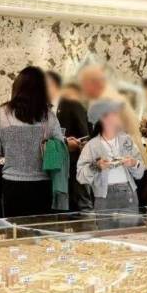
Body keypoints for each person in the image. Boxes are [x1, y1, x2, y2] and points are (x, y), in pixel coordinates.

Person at [0, 66, 63, 217]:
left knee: (15, 228)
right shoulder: (49, 116)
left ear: (17, 86)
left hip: (12, 185)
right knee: (39, 229)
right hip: (42, 185)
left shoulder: (1, 114)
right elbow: (60, 149)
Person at [78, 64, 147, 206]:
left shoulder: (108, 102)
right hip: (135, 164)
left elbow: (112, 130)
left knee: (140, 213)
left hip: (131, 168)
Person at [77, 100, 145, 212]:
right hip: (103, 198)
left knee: (131, 224)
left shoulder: (126, 140)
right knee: (106, 225)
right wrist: (96, 166)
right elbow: (81, 176)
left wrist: (134, 163)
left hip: (128, 195)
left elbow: (140, 173)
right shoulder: (91, 145)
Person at [46, 71, 91, 211]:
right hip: (55, 166)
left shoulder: (71, 102)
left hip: (74, 166)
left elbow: (85, 135)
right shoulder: (46, 108)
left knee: (82, 206)